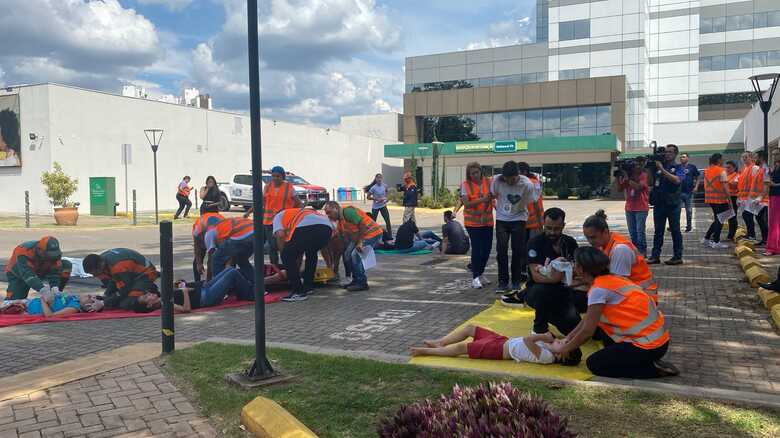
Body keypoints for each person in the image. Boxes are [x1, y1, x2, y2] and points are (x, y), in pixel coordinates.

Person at [548, 247, 679, 379]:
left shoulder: (598, 290)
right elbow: (588, 318)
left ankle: (653, 370)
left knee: (595, 364)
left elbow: (587, 331)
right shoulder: (612, 279)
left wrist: (565, 348)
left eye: (575, 263)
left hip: (648, 346)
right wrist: (567, 339)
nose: (573, 266)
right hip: (658, 341)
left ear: (581, 269)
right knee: (605, 338)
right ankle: (643, 360)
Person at [503, 208, 583, 336]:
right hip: (538, 290)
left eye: (556, 229)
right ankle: (539, 329)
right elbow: (536, 277)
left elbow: (578, 271)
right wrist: (557, 278)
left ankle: (558, 315)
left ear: (563, 226)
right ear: (543, 223)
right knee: (543, 290)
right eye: (548, 228)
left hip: (563, 291)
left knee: (575, 330)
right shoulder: (535, 243)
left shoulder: (570, 242)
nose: (552, 232)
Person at [409, 325, 582, 366]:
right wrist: (551, 340)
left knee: (463, 348)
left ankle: (426, 351)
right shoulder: (550, 348)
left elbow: (528, 341)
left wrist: (544, 336)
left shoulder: (547, 357)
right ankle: (442, 342)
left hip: (499, 350)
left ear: (562, 355)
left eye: (564, 344)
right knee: (470, 328)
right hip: (502, 340)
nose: (562, 341)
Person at [582, 210, 658, 303]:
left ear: (605, 232)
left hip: (643, 299)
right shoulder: (605, 244)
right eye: (587, 238)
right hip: (637, 295)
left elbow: (616, 286)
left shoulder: (620, 250)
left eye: (593, 237)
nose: (590, 242)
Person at [133, 267, 255, 314]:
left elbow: (179, 289)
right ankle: (250, 294)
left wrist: (178, 284)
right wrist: (184, 291)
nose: (149, 294)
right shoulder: (165, 304)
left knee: (230, 269)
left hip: (203, 288)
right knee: (232, 273)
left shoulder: (162, 295)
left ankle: (245, 290)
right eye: (146, 297)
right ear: (149, 305)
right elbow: (186, 309)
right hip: (206, 298)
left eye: (146, 294)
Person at [273, 208, 335, 302]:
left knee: (286, 255)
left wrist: (283, 253)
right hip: (327, 228)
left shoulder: (278, 216)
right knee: (311, 252)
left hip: (307, 228)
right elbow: (299, 248)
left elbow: (280, 235)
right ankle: (308, 286)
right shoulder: (299, 212)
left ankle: (298, 292)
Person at [491, 161, 535, 293]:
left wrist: (538, 222)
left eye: (513, 179)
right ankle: (503, 282)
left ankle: (516, 281)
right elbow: (492, 195)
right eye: (507, 179)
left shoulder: (527, 184)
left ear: (518, 174)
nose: (510, 182)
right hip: (502, 219)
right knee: (501, 250)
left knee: (518, 251)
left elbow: (531, 202)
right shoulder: (497, 181)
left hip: (519, 219)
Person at [324, 201, 383, 291]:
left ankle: (362, 283)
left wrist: (360, 242)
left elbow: (362, 225)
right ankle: (355, 280)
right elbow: (339, 236)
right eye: (326, 214)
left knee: (355, 255)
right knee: (347, 254)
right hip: (360, 236)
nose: (328, 216)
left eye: (329, 212)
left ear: (336, 208)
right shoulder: (340, 222)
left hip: (372, 233)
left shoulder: (347, 212)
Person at [82, 249, 159, 311]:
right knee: (112, 297)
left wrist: (103, 303)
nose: (94, 276)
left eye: (95, 273)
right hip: (133, 274)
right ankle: (146, 290)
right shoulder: (102, 260)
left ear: (100, 266)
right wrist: (106, 296)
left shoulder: (118, 267)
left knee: (127, 303)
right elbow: (113, 280)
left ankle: (150, 289)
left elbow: (124, 291)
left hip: (145, 274)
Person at [648, 144, 684, 265]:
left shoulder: (678, 167)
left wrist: (662, 170)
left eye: (670, 152)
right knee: (658, 231)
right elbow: (651, 181)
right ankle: (655, 256)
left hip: (673, 204)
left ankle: (677, 256)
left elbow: (677, 180)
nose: (667, 154)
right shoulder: (658, 166)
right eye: (666, 152)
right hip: (659, 203)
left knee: (675, 230)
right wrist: (650, 168)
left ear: (675, 154)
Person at [461, 162, 494, 289]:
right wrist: (483, 200)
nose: (475, 175)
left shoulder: (489, 182)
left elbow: (491, 197)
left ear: (481, 171)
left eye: (477, 172)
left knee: (487, 249)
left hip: (487, 221)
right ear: (468, 175)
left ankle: (480, 273)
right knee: (477, 249)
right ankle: (475, 277)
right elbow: (466, 203)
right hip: (472, 223)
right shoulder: (465, 185)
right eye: (472, 173)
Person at [4, 237, 72, 300]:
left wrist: (55, 287)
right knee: (14, 303)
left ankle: (56, 297)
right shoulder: (23, 251)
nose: (51, 258)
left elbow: (54, 271)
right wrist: (43, 290)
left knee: (66, 265)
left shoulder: (55, 254)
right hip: (19, 274)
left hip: (41, 269)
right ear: (39, 250)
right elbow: (28, 275)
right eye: (48, 255)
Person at [261, 166, 302, 266]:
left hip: (284, 221)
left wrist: (291, 213)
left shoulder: (289, 187)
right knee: (272, 246)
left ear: (282, 176)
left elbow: (298, 203)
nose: (275, 178)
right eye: (273, 176)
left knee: (285, 244)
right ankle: (274, 267)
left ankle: (287, 265)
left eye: (278, 176)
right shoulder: (267, 187)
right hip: (269, 221)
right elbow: (262, 202)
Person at [616, 157, 650, 257]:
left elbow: (638, 187)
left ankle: (642, 251)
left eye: (639, 165)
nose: (637, 167)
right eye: (635, 165)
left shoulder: (643, 175)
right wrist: (618, 178)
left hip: (641, 207)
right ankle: (635, 251)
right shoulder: (628, 175)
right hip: (629, 207)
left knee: (640, 231)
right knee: (632, 232)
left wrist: (627, 178)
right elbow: (619, 189)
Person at [701, 154, 733, 249]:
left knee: (717, 219)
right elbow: (725, 188)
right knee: (720, 220)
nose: (723, 161)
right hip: (720, 199)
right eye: (722, 159)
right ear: (719, 160)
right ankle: (716, 241)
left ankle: (707, 239)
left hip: (710, 199)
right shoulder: (721, 170)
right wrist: (730, 201)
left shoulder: (707, 170)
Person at [738, 152, 768, 246]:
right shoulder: (746, 168)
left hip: (759, 198)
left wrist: (759, 197)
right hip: (752, 197)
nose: (744, 159)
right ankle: (763, 239)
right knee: (758, 219)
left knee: (759, 219)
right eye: (742, 157)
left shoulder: (757, 168)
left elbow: (765, 185)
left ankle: (760, 238)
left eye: (746, 157)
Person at [1, 293, 103, 317]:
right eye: (89, 295)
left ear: (88, 305)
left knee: (6, 310)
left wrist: (43, 300)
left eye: (90, 298)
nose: (88, 295)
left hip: (26, 311)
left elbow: (50, 316)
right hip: (28, 302)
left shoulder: (74, 307)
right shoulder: (74, 298)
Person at [192, 212, 224, 282]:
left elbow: (211, 258)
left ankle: (215, 281)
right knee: (197, 260)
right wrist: (199, 263)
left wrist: (208, 279)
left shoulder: (212, 234)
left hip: (219, 231)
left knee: (215, 259)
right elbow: (197, 247)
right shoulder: (198, 231)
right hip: (208, 228)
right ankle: (197, 282)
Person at [519, 162, 544, 242]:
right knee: (533, 245)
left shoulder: (526, 183)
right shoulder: (536, 182)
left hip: (526, 221)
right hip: (535, 221)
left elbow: (536, 201)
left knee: (524, 246)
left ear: (524, 172)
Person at [366, 174, 393, 240]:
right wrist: (376, 199)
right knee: (373, 222)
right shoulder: (373, 188)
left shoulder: (385, 185)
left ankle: (390, 236)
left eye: (380, 178)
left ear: (382, 178)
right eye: (378, 178)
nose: (379, 179)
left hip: (383, 206)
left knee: (387, 220)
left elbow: (387, 193)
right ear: (376, 179)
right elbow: (368, 197)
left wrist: (387, 199)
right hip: (375, 207)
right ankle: (372, 235)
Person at [678, 153, 700, 233]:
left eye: (683, 157)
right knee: (677, 211)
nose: (682, 158)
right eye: (681, 157)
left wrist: (696, 187)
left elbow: (698, 177)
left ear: (687, 158)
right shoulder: (678, 167)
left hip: (689, 192)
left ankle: (689, 226)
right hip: (679, 192)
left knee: (689, 210)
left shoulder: (692, 167)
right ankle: (674, 225)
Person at [765, 151, 780, 256]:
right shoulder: (774, 167)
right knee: (774, 222)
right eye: (773, 154)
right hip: (773, 195)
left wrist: (774, 184)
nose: (774, 156)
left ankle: (772, 248)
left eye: (777, 154)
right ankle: (775, 247)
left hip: (777, 196)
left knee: (774, 223)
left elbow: (773, 183)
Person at [725, 161, 740, 241]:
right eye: (726, 167)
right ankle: (730, 235)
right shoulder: (727, 175)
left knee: (733, 216)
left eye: (729, 167)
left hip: (733, 197)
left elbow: (735, 184)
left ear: (734, 168)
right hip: (727, 197)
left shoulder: (737, 175)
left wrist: (725, 183)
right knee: (730, 216)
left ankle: (732, 235)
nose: (727, 169)